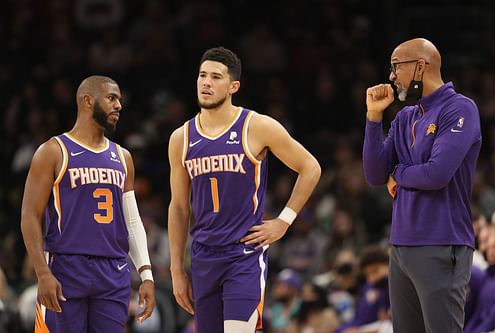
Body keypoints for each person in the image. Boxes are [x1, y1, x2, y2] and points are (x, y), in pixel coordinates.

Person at [167, 46, 321, 333]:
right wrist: (177, 269)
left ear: (233, 86)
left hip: (243, 255)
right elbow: (178, 207)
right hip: (202, 256)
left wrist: (283, 221)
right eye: (202, 75)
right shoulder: (181, 138)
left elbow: (310, 167)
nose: (206, 83)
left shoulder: (257, 126)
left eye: (215, 77)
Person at [363, 37, 482, 332]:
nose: (391, 77)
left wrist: (399, 174)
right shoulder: (405, 117)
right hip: (401, 245)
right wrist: (374, 117)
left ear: (419, 67)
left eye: (396, 67)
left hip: (442, 242)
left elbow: (436, 174)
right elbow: (376, 175)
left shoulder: (460, 109)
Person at [20, 75, 156, 332]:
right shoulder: (53, 151)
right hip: (66, 267)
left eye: (119, 100)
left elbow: (132, 220)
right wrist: (42, 272)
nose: (119, 106)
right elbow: (29, 215)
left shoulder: (123, 157)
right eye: (111, 98)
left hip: (113, 270)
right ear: (87, 101)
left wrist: (146, 274)